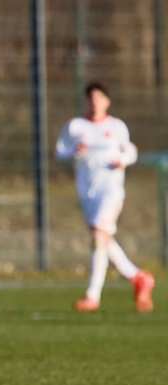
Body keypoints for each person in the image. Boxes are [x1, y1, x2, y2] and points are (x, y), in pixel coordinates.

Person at [56, 82, 155, 312]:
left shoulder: (116, 126)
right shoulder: (76, 126)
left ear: (107, 102)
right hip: (87, 192)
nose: (95, 102)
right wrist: (73, 152)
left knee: (99, 235)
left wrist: (123, 160)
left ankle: (93, 296)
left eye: (99, 98)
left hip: (111, 191)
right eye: (91, 98)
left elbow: (131, 151)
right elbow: (60, 152)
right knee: (102, 238)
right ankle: (139, 277)